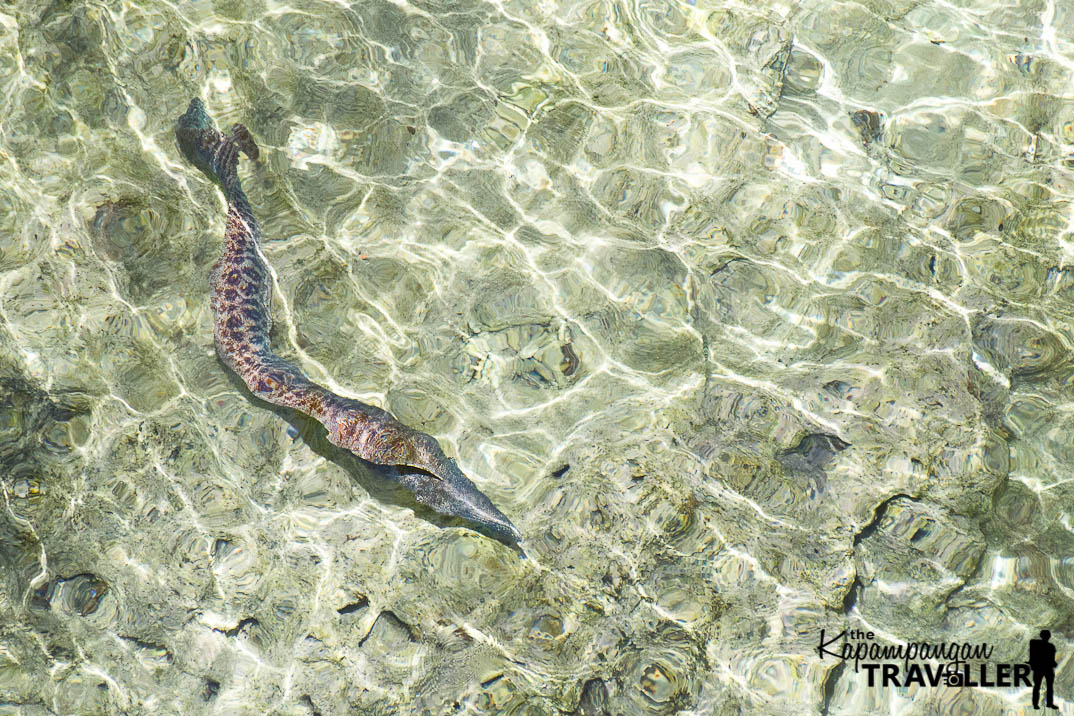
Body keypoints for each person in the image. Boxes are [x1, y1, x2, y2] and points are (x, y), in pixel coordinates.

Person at [1028, 629, 1059, 710]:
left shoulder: (1050, 646)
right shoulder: (1048, 646)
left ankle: (1046, 703)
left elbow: (1052, 659)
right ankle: (1038, 704)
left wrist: (1053, 663)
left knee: (1046, 687)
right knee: (1040, 687)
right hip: (1041, 668)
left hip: (1046, 668)